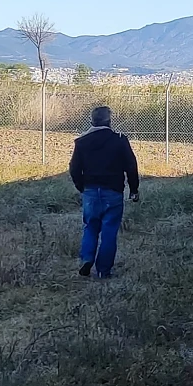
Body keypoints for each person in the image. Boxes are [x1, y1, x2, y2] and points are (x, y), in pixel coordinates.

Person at [68, 105, 140, 279]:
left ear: (91, 121)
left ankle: (87, 258)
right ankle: (103, 270)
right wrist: (134, 189)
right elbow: (131, 165)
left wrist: (82, 187)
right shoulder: (120, 140)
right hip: (113, 191)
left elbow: (74, 168)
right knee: (109, 232)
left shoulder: (82, 142)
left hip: (90, 192)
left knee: (90, 227)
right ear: (109, 121)